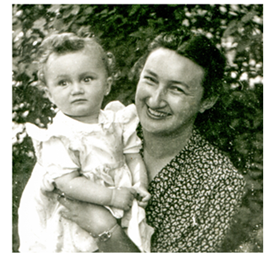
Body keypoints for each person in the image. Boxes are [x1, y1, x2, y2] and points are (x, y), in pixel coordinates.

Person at [54, 30, 246, 252]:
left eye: (176, 89)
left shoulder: (220, 182)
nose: (155, 100)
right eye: (150, 80)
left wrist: (105, 228)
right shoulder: (105, 131)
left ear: (207, 100)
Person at [18, 33, 153, 253]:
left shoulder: (117, 120)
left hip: (118, 205)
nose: (76, 89)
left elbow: (132, 156)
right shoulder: (58, 137)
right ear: (49, 94)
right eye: (63, 83)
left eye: (87, 79)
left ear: (107, 85)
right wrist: (112, 196)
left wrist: (139, 184)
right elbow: (67, 182)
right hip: (77, 215)